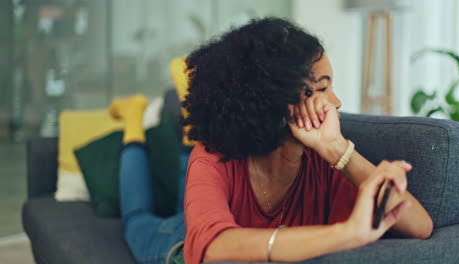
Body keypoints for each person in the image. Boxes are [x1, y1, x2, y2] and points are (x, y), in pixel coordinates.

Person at [110, 18, 433, 264]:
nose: (336, 102)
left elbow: (420, 227)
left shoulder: (324, 158)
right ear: (273, 101)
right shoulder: (214, 157)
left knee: (192, 167)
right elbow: (214, 249)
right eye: (320, 89)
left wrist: (338, 151)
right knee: (138, 218)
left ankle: (185, 122)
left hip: (209, 209)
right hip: (180, 243)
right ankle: (132, 122)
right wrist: (344, 234)